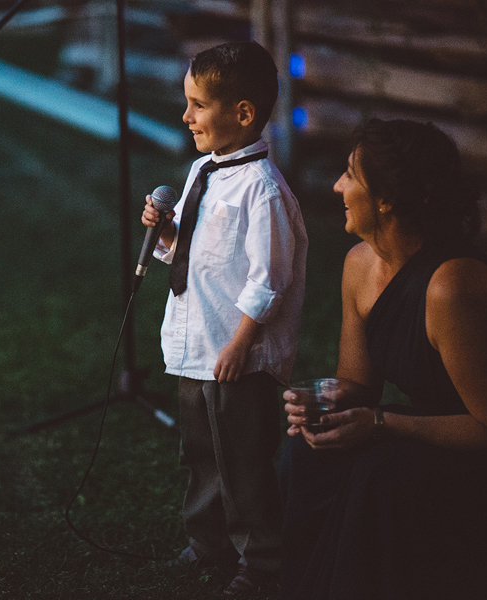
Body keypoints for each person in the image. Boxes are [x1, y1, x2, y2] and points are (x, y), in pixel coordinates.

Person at [279, 118, 487, 600]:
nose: (337, 186)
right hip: (440, 428)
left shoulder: (451, 287)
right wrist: (326, 405)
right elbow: (357, 382)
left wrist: (380, 424)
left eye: (350, 175)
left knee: (383, 472)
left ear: (385, 198)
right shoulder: (359, 263)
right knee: (310, 454)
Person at [141, 41, 307, 596]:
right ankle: (207, 545)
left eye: (197, 105)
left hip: (236, 357)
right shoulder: (201, 171)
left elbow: (269, 281)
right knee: (202, 455)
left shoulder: (262, 191)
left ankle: (261, 564)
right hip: (196, 347)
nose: (185, 116)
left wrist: (240, 345)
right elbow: (192, 248)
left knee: (244, 464)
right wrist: (164, 231)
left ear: (242, 113)